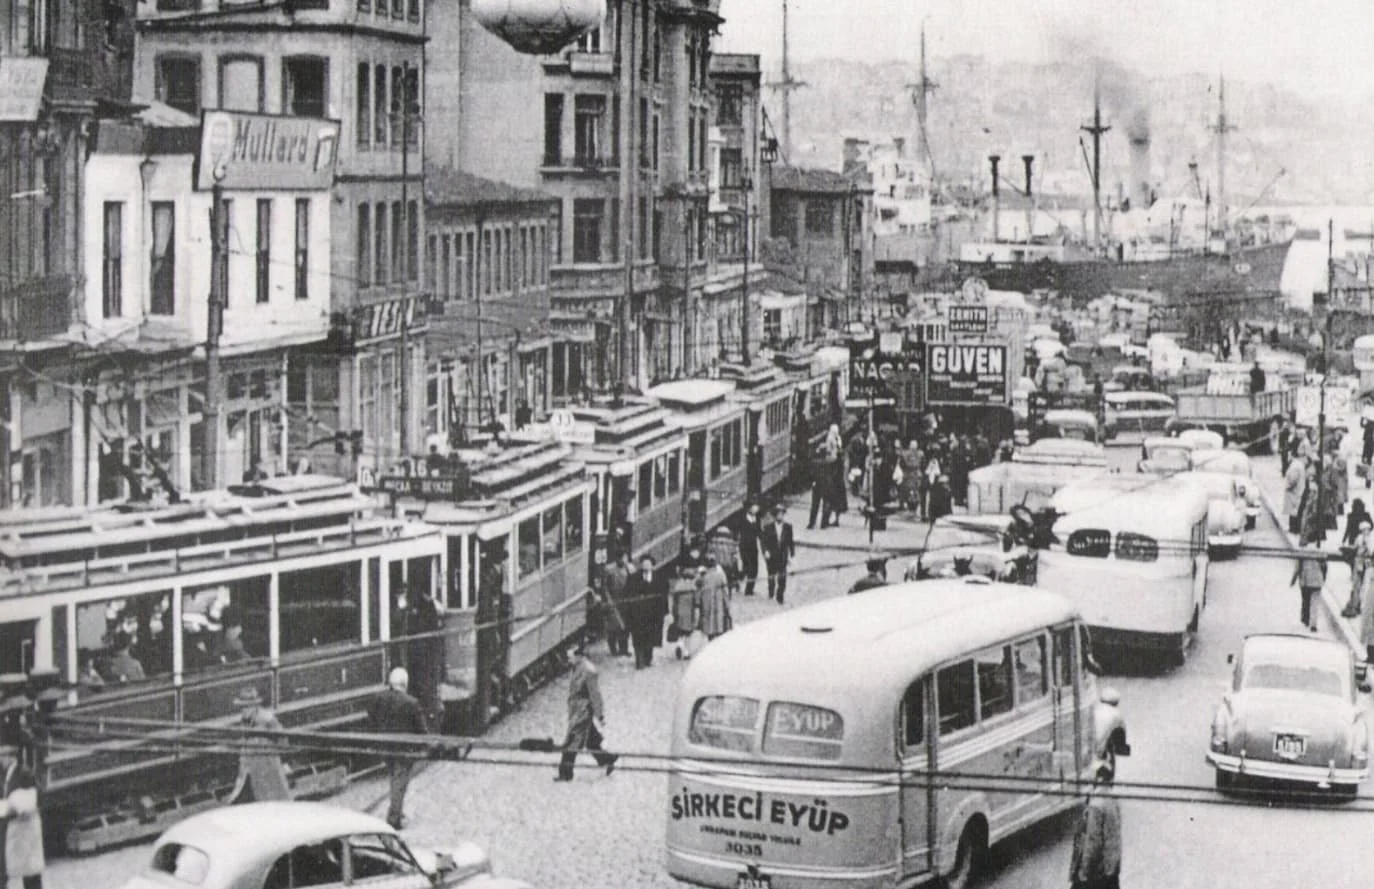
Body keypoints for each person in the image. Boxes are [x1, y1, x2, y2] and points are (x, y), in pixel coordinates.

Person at [367, 667, 428, 829]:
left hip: (385, 748)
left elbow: (371, 719)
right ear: (405, 684)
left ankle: (397, 810)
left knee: (394, 778)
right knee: (399, 783)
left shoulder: (378, 698)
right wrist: (424, 747)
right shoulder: (411, 703)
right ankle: (394, 819)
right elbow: (422, 731)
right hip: (403, 751)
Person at [554, 643, 617, 782]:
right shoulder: (578, 667)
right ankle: (608, 759)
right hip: (577, 711)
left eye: (570, 657)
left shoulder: (588, 671)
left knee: (571, 742)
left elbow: (595, 696)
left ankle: (565, 774)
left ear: (578, 656)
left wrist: (599, 715)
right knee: (591, 741)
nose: (568, 660)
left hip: (582, 712)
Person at [229, 686, 291, 804]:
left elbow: (282, 738)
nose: (244, 710)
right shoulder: (244, 721)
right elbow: (244, 743)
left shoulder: (266, 718)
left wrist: (285, 762)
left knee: (277, 799)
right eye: (242, 707)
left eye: (247, 707)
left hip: (269, 765)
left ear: (254, 706)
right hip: (252, 766)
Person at [1070, 761, 1122, 889]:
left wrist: (1084, 871)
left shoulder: (1096, 805)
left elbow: (1092, 841)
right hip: (1111, 869)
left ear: (1098, 779)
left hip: (1096, 872)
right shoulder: (1113, 800)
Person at [1, 746, 44, 889]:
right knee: (26, 870)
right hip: (19, 830)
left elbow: (30, 801)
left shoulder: (23, 773)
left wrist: (9, 807)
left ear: (10, 757)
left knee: (31, 872)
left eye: (3, 756)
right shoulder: (9, 774)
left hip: (27, 829)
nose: (1, 760)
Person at [624, 556, 665, 669]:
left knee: (650, 638)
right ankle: (639, 661)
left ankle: (648, 658)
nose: (646, 566)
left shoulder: (659, 578)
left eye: (648, 564)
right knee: (638, 638)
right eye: (644, 564)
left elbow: (663, 596)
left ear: (652, 565)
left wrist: (664, 612)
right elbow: (627, 594)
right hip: (638, 615)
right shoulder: (633, 578)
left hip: (653, 615)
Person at [1290, 538, 1327, 633]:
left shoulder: (1302, 552)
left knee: (1306, 601)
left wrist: (1293, 580)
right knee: (1315, 603)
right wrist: (1323, 578)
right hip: (1317, 581)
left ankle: (1306, 619)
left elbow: (1297, 568)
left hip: (1305, 581)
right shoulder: (1320, 552)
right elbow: (1324, 567)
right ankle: (1313, 624)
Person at [761, 504, 795, 605]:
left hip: (782, 556)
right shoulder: (768, 527)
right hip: (771, 556)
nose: (781, 516)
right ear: (775, 516)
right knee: (771, 576)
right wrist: (765, 551)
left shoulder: (788, 527)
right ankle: (771, 591)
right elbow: (763, 541)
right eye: (779, 514)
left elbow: (791, 541)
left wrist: (792, 554)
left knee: (782, 578)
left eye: (782, 514)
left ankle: (780, 595)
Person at [693, 553, 731, 642]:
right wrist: (727, 604)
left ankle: (711, 641)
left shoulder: (703, 577)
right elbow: (725, 591)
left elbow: (697, 588)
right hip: (718, 604)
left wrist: (698, 602)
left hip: (707, 605)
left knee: (709, 626)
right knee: (719, 625)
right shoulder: (720, 575)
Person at [601, 552, 631, 658]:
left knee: (625, 627)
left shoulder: (629, 568)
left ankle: (624, 649)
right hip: (612, 601)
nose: (623, 560)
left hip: (625, 601)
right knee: (612, 627)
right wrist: (609, 600)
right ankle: (613, 649)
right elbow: (604, 587)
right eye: (622, 558)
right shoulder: (608, 569)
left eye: (625, 558)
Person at [1345, 517, 1373, 619]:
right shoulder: (1361, 538)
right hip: (1360, 563)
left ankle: (1359, 605)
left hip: (1365, 564)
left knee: (1363, 586)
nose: (1366, 531)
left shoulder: (1369, 539)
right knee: (1357, 585)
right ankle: (1356, 605)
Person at [737, 503, 762, 597]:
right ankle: (738, 578)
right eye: (755, 506)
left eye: (757, 507)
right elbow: (737, 532)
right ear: (749, 508)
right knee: (747, 568)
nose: (757, 508)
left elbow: (759, 532)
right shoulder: (743, 519)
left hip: (753, 547)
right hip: (744, 547)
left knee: (755, 569)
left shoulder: (757, 519)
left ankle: (749, 590)